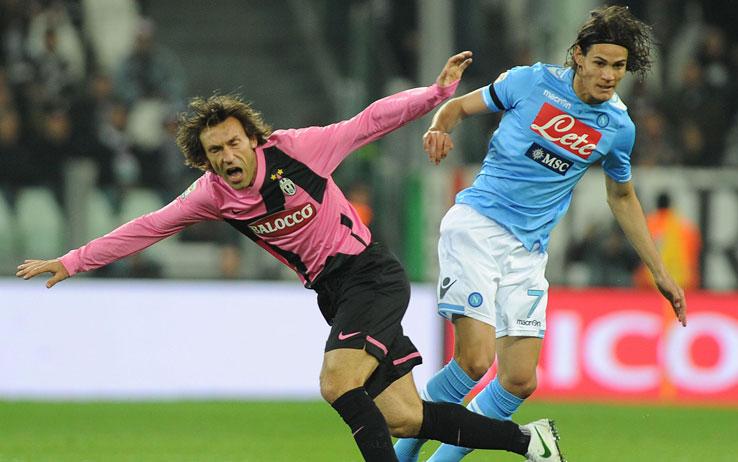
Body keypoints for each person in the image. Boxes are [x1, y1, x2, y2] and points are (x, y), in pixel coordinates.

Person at [16, 51, 564, 462]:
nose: (227, 156)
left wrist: (434, 95)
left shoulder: (297, 151)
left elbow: (367, 122)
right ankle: (528, 441)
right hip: (334, 294)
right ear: (204, 160)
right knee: (403, 418)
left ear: (252, 140)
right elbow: (148, 227)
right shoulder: (212, 194)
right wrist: (74, 260)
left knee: (337, 383)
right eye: (214, 151)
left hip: (370, 275)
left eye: (233, 143)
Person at [394, 6, 688, 462]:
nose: (609, 75)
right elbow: (457, 107)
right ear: (578, 57)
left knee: (518, 380)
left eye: (618, 67)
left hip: (528, 254)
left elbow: (622, 196)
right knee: (473, 362)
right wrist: (438, 129)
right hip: (478, 227)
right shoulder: (529, 82)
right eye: (600, 63)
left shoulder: (618, 127)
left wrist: (660, 271)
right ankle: (397, 456)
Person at [634, 192, 701, 290]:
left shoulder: (648, 223)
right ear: (670, 205)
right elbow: (695, 251)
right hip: (683, 281)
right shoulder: (686, 226)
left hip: (651, 282)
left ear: (656, 205)